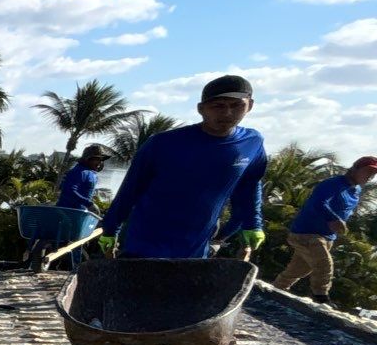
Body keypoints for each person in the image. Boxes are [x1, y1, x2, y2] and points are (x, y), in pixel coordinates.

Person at [100, 74, 267, 260]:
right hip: (144, 244)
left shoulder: (252, 143)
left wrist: (253, 224)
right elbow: (130, 189)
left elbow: (249, 186)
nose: (227, 113)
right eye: (218, 106)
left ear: (250, 106)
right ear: (201, 109)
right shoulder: (162, 144)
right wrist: (110, 228)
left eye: (237, 105)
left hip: (195, 249)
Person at [273, 156, 377, 302]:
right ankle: (321, 298)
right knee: (324, 265)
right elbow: (318, 202)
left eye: (373, 174)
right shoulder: (333, 183)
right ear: (355, 169)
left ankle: (275, 290)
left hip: (327, 237)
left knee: (298, 270)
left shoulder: (356, 190)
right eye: (368, 172)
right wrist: (332, 218)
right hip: (307, 234)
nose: (370, 177)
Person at [57, 144, 112, 211]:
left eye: (101, 159)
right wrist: (89, 204)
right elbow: (69, 191)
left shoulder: (92, 174)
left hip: (80, 212)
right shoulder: (79, 172)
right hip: (67, 212)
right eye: (97, 159)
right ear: (88, 159)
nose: (100, 162)